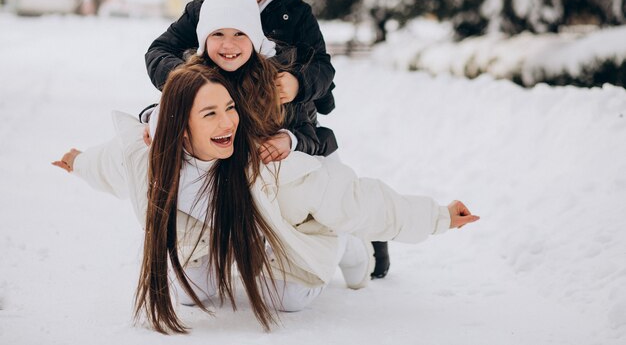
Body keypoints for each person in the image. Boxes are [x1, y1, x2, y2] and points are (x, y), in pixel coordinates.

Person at [53, 62, 479, 334]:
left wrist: (437, 216)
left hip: (300, 234)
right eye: (210, 114)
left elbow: (355, 198)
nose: (229, 122)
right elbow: (109, 165)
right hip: (212, 242)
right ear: (180, 128)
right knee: (188, 292)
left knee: (288, 300)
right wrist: (78, 162)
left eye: (229, 107)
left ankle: (351, 245)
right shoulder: (148, 161)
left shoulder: (267, 167)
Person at [144, 0, 392, 279]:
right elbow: (159, 51)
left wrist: (299, 81)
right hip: (231, 132)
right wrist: (188, 85)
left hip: (295, 129)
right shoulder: (205, 10)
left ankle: (362, 239)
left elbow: (324, 66)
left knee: (335, 195)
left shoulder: (295, 14)